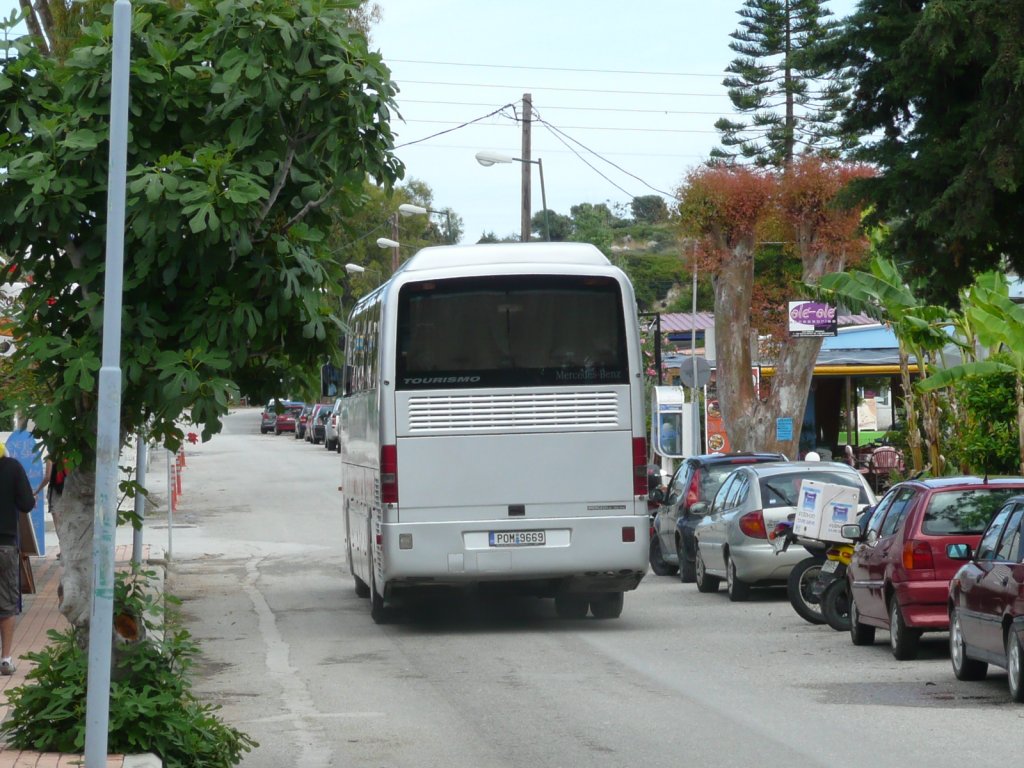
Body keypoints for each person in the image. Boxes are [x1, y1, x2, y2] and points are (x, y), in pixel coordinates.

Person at [0, 441, 37, 675]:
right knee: (6, 603)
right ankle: (5, 659)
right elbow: (26, 504)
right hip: (5, 545)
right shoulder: (13, 467)